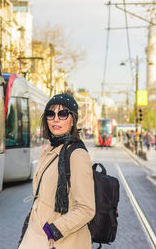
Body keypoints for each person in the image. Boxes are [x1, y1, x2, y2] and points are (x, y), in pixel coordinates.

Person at [18, 93, 95, 249]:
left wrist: (54, 230)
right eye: (50, 113)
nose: (56, 119)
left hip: (62, 241)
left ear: (73, 119)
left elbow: (86, 209)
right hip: (37, 236)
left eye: (63, 113)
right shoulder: (51, 149)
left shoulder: (76, 154)